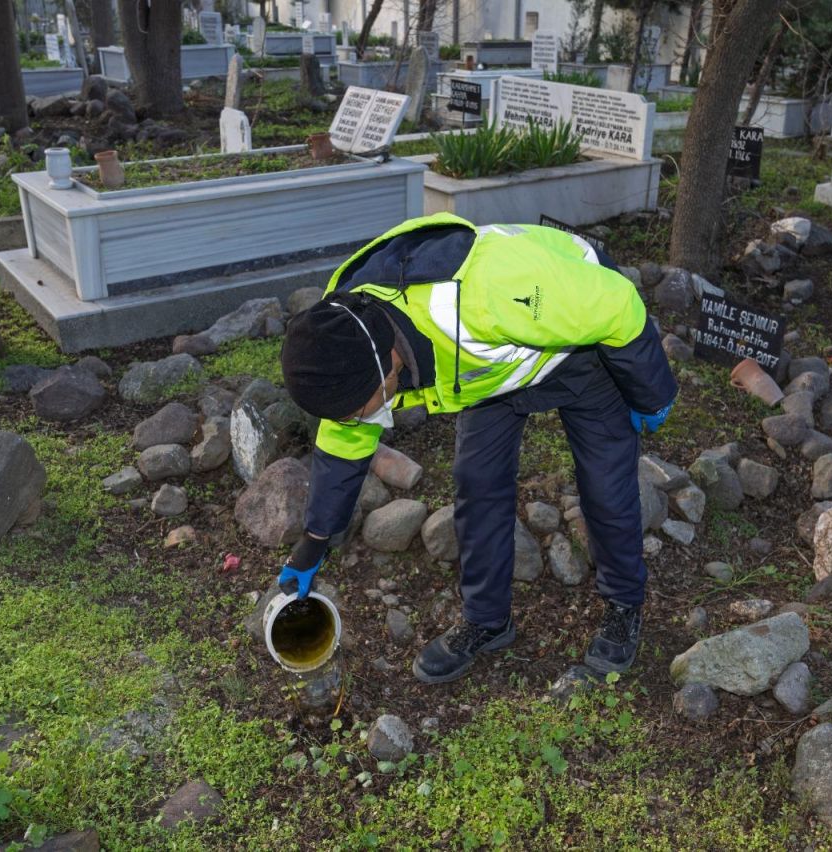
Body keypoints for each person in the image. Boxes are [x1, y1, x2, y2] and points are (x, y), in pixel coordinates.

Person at [277, 212, 677, 684]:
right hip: (492, 374)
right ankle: (487, 621)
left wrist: (652, 393)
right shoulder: (343, 330)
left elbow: (617, 305)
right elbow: (345, 437)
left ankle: (624, 604)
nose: (353, 421)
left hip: (580, 343)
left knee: (606, 486)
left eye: (354, 410)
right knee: (477, 482)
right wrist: (316, 538)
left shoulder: (490, 293)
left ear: (386, 365)